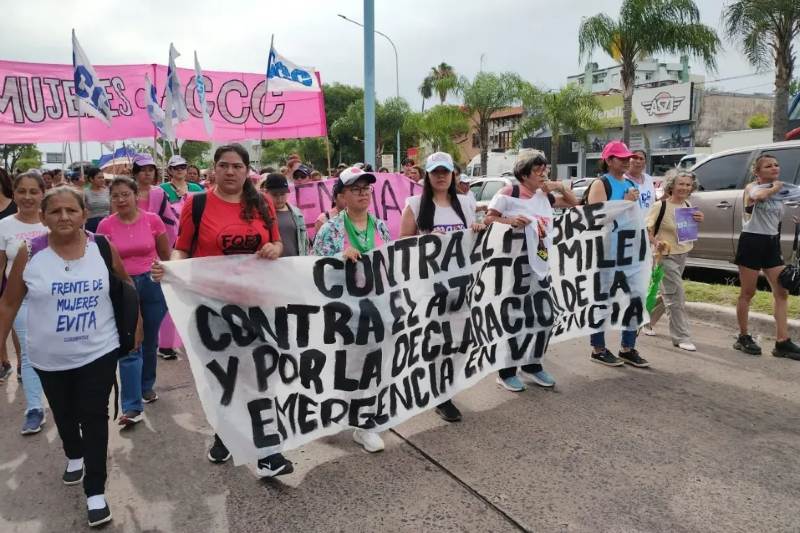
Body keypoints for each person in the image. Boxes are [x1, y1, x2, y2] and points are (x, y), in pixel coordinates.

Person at [150, 144, 293, 477]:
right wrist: (170, 269)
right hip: (211, 308)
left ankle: (268, 451)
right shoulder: (196, 204)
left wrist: (274, 247)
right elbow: (182, 248)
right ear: (214, 169)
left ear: (246, 170)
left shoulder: (263, 203)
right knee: (223, 377)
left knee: (259, 376)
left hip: (257, 306)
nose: (231, 172)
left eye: (237, 166)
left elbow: (276, 242)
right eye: (224, 165)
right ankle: (224, 434)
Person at [0, 186, 132, 527]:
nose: (63, 217)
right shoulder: (30, 253)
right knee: (64, 412)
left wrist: (138, 328)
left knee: (93, 414)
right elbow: (9, 302)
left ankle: (95, 491)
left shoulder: (101, 247)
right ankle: (73, 453)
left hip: (98, 350)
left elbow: (124, 283)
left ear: (84, 215)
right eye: (55, 211)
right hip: (48, 357)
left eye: (71, 210)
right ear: (43, 217)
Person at [400, 152, 484, 421]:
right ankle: (441, 394)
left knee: (461, 340)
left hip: (462, 284)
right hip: (430, 286)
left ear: (452, 175)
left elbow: (477, 236)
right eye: (435, 171)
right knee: (437, 340)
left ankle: (443, 384)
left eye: (445, 172)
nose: (440, 176)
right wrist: (424, 242)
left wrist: (479, 228)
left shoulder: (466, 202)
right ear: (427, 175)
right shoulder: (414, 204)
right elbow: (401, 243)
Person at [484, 154, 579, 391]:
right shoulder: (509, 193)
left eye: (545, 170)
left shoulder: (544, 195)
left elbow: (573, 202)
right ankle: (506, 371)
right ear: (524, 174)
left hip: (541, 265)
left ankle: (532, 364)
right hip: (513, 265)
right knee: (514, 317)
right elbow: (488, 219)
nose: (543, 174)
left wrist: (559, 186)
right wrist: (510, 221)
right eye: (538, 171)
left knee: (543, 316)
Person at [312, 167, 391, 453]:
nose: (362, 193)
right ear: (341, 195)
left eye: (366, 188)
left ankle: (364, 421)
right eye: (355, 188)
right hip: (343, 314)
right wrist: (336, 258)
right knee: (346, 368)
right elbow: (313, 271)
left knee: (372, 367)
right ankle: (346, 417)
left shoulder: (380, 226)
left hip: (376, 311)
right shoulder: (330, 229)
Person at [97, 177, 171, 425]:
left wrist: (172, 279)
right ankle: (131, 406)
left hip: (152, 284)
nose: (120, 200)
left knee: (149, 339)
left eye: (125, 194)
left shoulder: (153, 220)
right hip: (122, 288)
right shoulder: (105, 227)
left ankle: (146, 385)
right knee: (130, 343)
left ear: (135, 194)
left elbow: (165, 255)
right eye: (115, 196)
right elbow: (103, 262)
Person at [583, 141, 651, 368]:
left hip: (630, 253)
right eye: (621, 158)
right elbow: (595, 217)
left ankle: (628, 347)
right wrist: (624, 202)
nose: (627, 161)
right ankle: (598, 348)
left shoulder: (630, 183)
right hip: (606, 252)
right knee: (603, 301)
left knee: (636, 298)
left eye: (628, 158)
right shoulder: (601, 184)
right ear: (609, 160)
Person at [733, 154, 800, 359]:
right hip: (752, 241)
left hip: (771, 243)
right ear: (757, 172)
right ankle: (743, 337)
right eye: (768, 166)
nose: (774, 168)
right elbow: (759, 197)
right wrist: (774, 188)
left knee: (782, 291)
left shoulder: (780, 192)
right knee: (748, 292)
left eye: (776, 165)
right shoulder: (753, 187)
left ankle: (782, 342)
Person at [0, 172, 49, 432]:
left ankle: (61, 400)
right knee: (29, 354)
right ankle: (34, 408)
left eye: (34, 191)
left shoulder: (53, 221)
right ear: (14, 193)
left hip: (54, 301)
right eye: (22, 191)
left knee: (56, 351)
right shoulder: (4, 226)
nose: (28, 197)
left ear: (43, 193)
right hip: (21, 301)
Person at [646, 170, 705, 351]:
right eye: (681, 184)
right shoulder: (660, 206)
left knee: (668, 293)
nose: (685, 187)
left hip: (683, 253)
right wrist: (657, 242)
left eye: (688, 185)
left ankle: (644, 320)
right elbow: (647, 229)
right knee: (676, 296)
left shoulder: (688, 205)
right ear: (672, 185)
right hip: (665, 256)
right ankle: (681, 337)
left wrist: (699, 219)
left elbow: (687, 229)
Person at [262, 174, 309, 256]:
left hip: (294, 263)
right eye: (275, 195)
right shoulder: (260, 214)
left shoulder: (297, 213)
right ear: (266, 193)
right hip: (270, 264)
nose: (279, 198)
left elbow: (304, 242)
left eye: (282, 194)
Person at [84, 167, 110, 233]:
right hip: (91, 224)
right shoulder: (85, 193)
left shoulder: (107, 191)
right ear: (91, 179)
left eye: (102, 177)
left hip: (106, 222)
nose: (102, 180)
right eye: (99, 178)